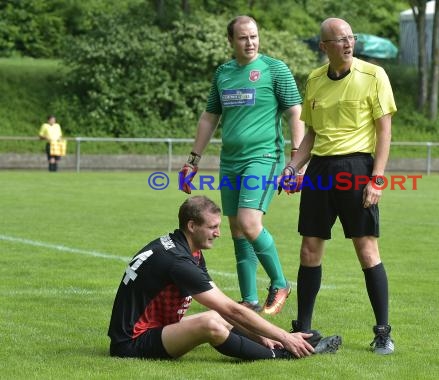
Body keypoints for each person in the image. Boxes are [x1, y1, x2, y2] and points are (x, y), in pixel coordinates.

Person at [278, 18, 397, 355]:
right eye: (339, 39)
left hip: (357, 166)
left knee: (366, 249)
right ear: (323, 47)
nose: (347, 44)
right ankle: (305, 330)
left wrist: (377, 178)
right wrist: (292, 167)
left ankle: (383, 332)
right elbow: (311, 134)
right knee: (309, 250)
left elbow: (384, 131)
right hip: (319, 170)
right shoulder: (315, 79)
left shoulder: (374, 75)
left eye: (350, 38)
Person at [107, 196, 342, 360]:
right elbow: (233, 310)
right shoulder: (179, 262)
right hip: (132, 344)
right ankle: (283, 353)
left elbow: (226, 308)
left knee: (219, 315)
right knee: (210, 325)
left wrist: (265, 337)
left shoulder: (185, 248)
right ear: (192, 225)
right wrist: (283, 337)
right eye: (213, 227)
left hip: (158, 328)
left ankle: (279, 345)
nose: (219, 233)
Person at [179, 16, 305, 315]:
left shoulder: (275, 69)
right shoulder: (223, 73)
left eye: (254, 36)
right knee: (236, 229)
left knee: (249, 222)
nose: (250, 43)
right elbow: (210, 117)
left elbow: (295, 113)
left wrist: (296, 160)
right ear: (231, 41)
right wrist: (192, 161)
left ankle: (281, 283)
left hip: (263, 157)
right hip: (231, 161)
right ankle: (248, 299)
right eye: (243, 38)